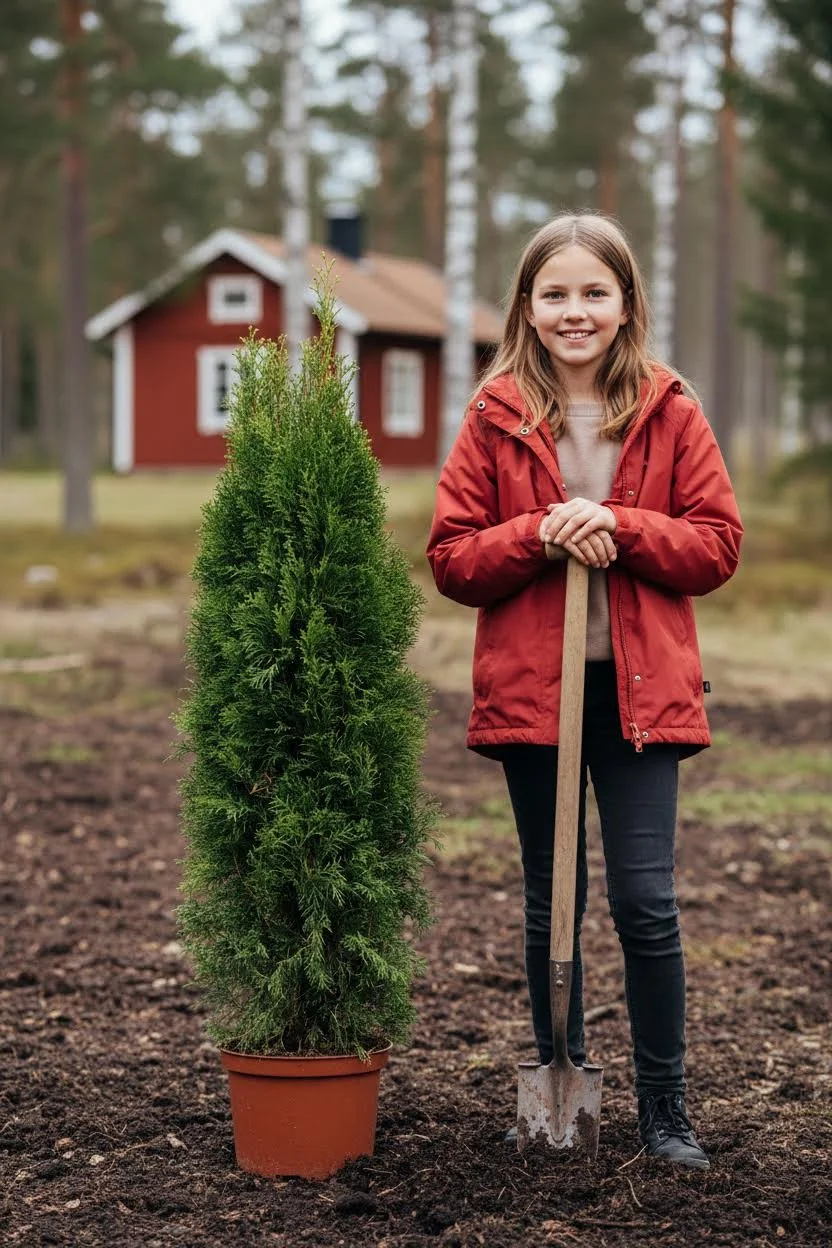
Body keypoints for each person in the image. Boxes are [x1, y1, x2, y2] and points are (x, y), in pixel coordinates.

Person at [426, 213, 743, 1170]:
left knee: (646, 901)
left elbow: (717, 545)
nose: (575, 311)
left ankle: (665, 1110)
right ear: (527, 305)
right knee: (550, 899)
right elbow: (450, 558)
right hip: (537, 697)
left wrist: (616, 522)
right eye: (555, 293)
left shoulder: (670, 406)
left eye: (593, 293)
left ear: (625, 303)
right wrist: (538, 535)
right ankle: (559, 1073)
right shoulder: (494, 413)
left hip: (642, 699)